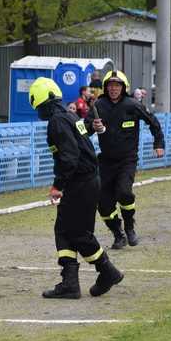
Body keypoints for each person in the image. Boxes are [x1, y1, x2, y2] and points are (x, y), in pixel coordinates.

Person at [28, 77, 124, 299]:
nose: (38, 112)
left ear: (46, 102)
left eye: (39, 107)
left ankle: (107, 271)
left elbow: (70, 157)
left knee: (79, 233)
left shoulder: (57, 122)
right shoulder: (70, 116)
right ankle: (70, 282)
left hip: (80, 182)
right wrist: (92, 126)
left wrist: (57, 185)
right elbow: (80, 143)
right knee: (63, 230)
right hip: (87, 181)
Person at [86, 70, 165, 249]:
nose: (114, 88)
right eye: (110, 85)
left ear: (123, 87)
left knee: (124, 192)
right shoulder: (98, 105)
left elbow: (153, 122)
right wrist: (92, 126)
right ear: (105, 87)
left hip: (127, 160)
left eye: (117, 85)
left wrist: (158, 143)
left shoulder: (133, 104)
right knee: (103, 204)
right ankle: (118, 234)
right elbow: (84, 130)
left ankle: (130, 228)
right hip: (105, 161)